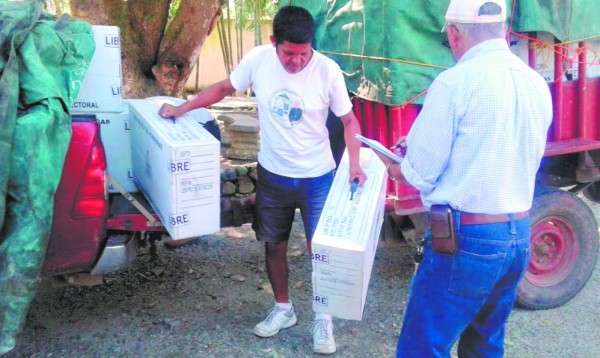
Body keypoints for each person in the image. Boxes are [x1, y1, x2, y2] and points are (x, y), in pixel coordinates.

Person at [158, 5, 366, 355]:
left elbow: (349, 122)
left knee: (322, 253)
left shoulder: (328, 70)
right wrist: (181, 109)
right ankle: (283, 309)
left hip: (317, 176)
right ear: (274, 43)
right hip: (273, 174)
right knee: (274, 245)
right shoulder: (257, 60)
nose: (297, 61)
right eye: (289, 53)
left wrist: (355, 165)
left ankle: (323, 318)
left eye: (304, 53)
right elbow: (224, 88)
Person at [376, 0, 553, 356]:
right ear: (502, 31)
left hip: (468, 239)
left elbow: (418, 174)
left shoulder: (454, 83)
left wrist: (388, 162)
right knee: (484, 346)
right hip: (517, 233)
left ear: (455, 34)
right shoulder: (536, 82)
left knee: (423, 347)